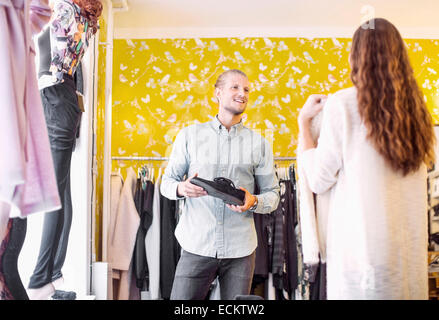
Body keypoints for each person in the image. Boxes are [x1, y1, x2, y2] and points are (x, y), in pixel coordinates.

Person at [297, 18, 435, 299]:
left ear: (356, 56)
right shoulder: (417, 111)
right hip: (407, 255)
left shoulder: (345, 103)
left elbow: (319, 179)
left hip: (362, 256)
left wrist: (303, 124)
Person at [160, 69, 280, 300]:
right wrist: (180, 188)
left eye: (246, 89)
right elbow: (167, 182)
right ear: (217, 93)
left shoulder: (260, 143)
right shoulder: (189, 136)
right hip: (196, 245)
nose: (242, 93)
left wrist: (253, 201)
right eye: (235, 87)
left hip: (241, 250)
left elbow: (273, 195)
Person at [27, 0, 102, 300]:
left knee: (54, 195)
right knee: (61, 192)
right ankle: (50, 278)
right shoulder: (77, 14)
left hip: (56, 97)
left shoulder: (65, 8)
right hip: (60, 97)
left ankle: (39, 280)